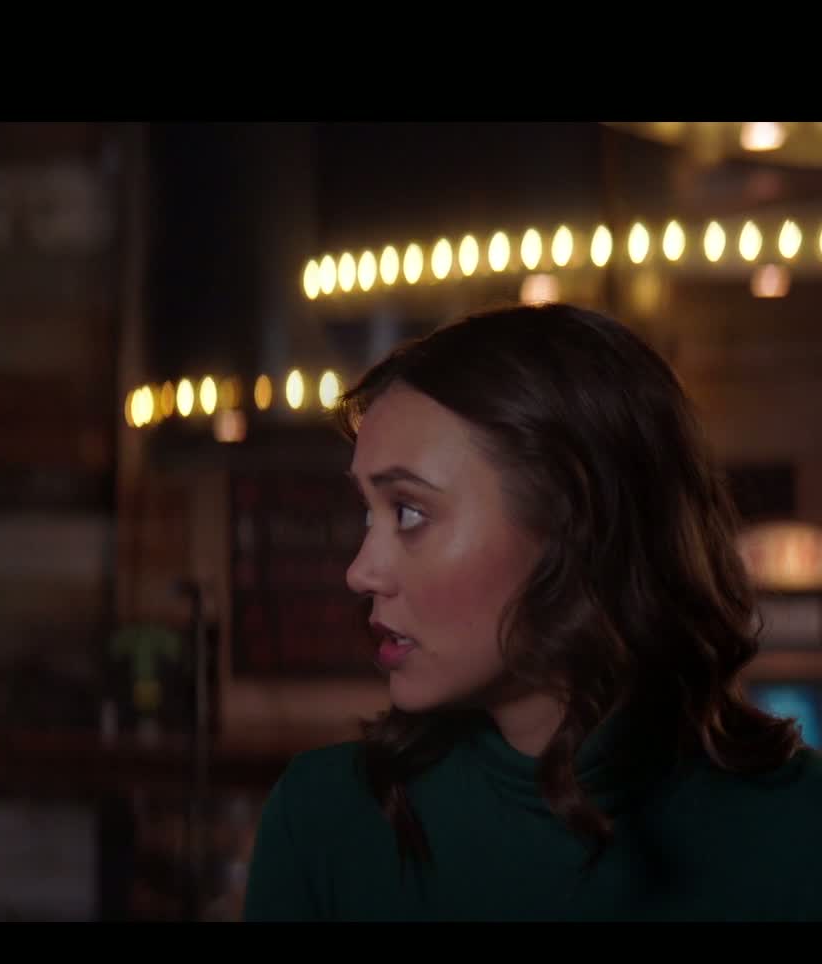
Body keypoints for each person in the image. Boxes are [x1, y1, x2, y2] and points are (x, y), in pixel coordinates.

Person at [243, 302, 822, 922]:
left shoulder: (801, 828)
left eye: (408, 512)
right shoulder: (325, 823)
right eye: (368, 514)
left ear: (573, 527)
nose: (360, 572)